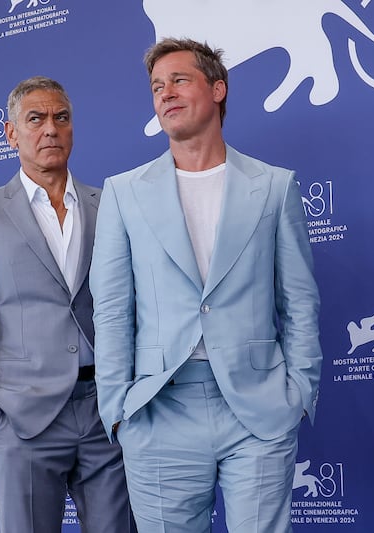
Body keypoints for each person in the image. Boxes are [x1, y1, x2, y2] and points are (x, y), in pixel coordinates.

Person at [90, 38, 322, 532]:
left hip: (257, 408)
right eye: (157, 86)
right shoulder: (124, 192)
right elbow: (111, 309)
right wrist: (118, 409)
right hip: (158, 409)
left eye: (179, 80)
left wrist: (299, 392)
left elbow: (298, 301)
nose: (166, 93)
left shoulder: (275, 186)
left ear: (218, 89)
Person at [0, 76, 134, 533]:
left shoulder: (109, 205)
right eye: (36, 119)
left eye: (61, 118)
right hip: (23, 419)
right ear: (11, 134)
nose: (50, 129)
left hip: (104, 416)